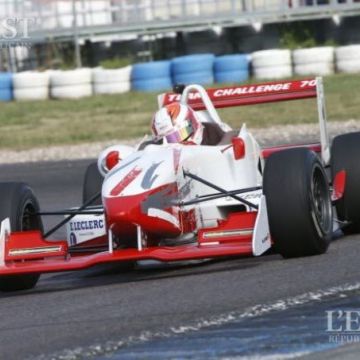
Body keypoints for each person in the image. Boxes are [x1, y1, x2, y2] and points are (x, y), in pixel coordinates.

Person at [151, 102, 227, 146]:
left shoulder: (219, 139)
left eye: (175, 137)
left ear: (193, 126)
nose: (170, 144)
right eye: (161, 141)